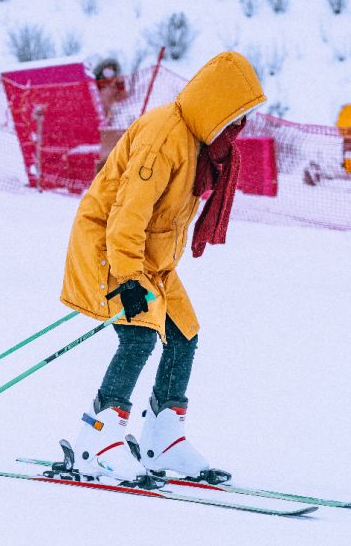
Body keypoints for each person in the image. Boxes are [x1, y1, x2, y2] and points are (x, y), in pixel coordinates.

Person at [60, 51, 265, 486]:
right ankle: (97, 439)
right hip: (111, 249)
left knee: (183, 332)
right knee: (138, 336)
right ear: (214, 105)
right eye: (235, 115)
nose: (238, 127)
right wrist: (129, 276)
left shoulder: (199, 143)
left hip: (151, 261)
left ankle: (163, 438)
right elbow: (126, 218)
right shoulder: (164, 136)